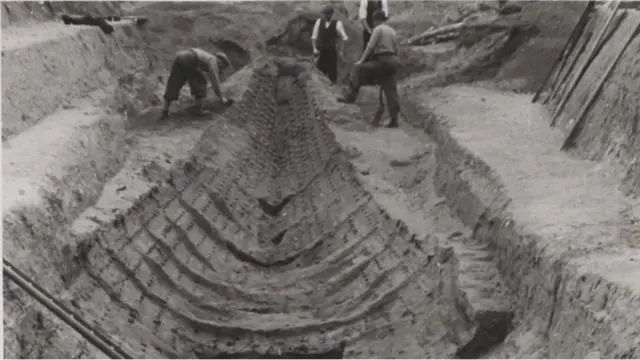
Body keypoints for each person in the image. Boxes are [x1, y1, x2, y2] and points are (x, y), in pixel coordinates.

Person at [338, 10, 400, 128]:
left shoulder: (378, 29)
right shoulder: (392, 31)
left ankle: (350, 96)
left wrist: (360, 61)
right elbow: (396, 49)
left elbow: (370, 47)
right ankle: (394, 119)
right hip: (392, 62)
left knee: (358, 69)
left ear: (376, 20)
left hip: (382, 61)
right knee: (391, 90)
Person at [161, 48, 232, 119]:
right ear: (220, 61)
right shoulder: (213, 60)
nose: (220, 69)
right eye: (222, 67)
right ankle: (198, 109)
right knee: (201, 81)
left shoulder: (207, 57)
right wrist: (221, 97)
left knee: (174, 83)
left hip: (180, 56)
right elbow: (215, 81)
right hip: (190, 57)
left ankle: (165, 111)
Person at [311, 5, 349, 83]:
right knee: (320, 72)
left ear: (331, 14)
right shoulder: (319, 21)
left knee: (332, 72)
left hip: (331, 51)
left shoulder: (337, 23)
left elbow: (344, 37)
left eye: (326, 14)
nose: (324, 16)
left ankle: (333, 89)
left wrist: (341, 50)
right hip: (321, 51)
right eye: (323, 14)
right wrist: (314, 48)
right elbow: (314, 36)